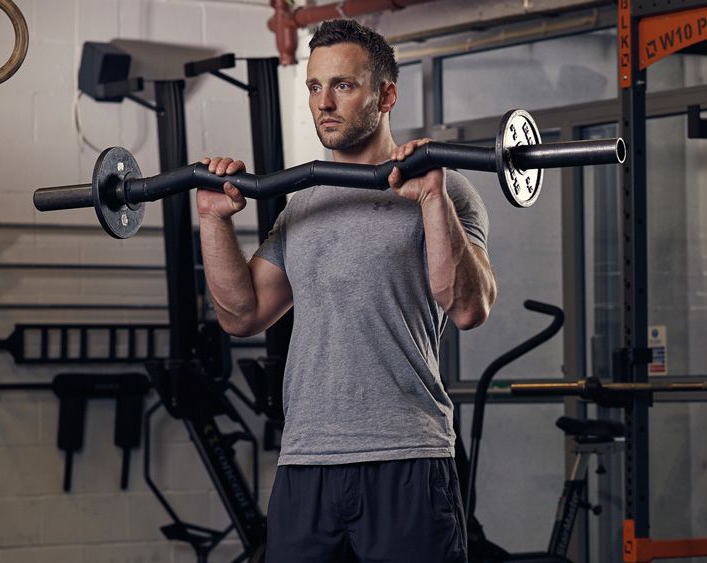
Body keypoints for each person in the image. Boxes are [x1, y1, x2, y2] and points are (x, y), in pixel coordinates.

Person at [196, 19, 497, 563]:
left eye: (343, 85)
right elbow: (242, 314)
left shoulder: (445, 187)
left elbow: (470, 307)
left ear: (386, 95)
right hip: (306, 460)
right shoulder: (303, 202)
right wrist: (214, 220)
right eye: (314, 87)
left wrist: (431, 201)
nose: (324, 103)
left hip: (405, 456)